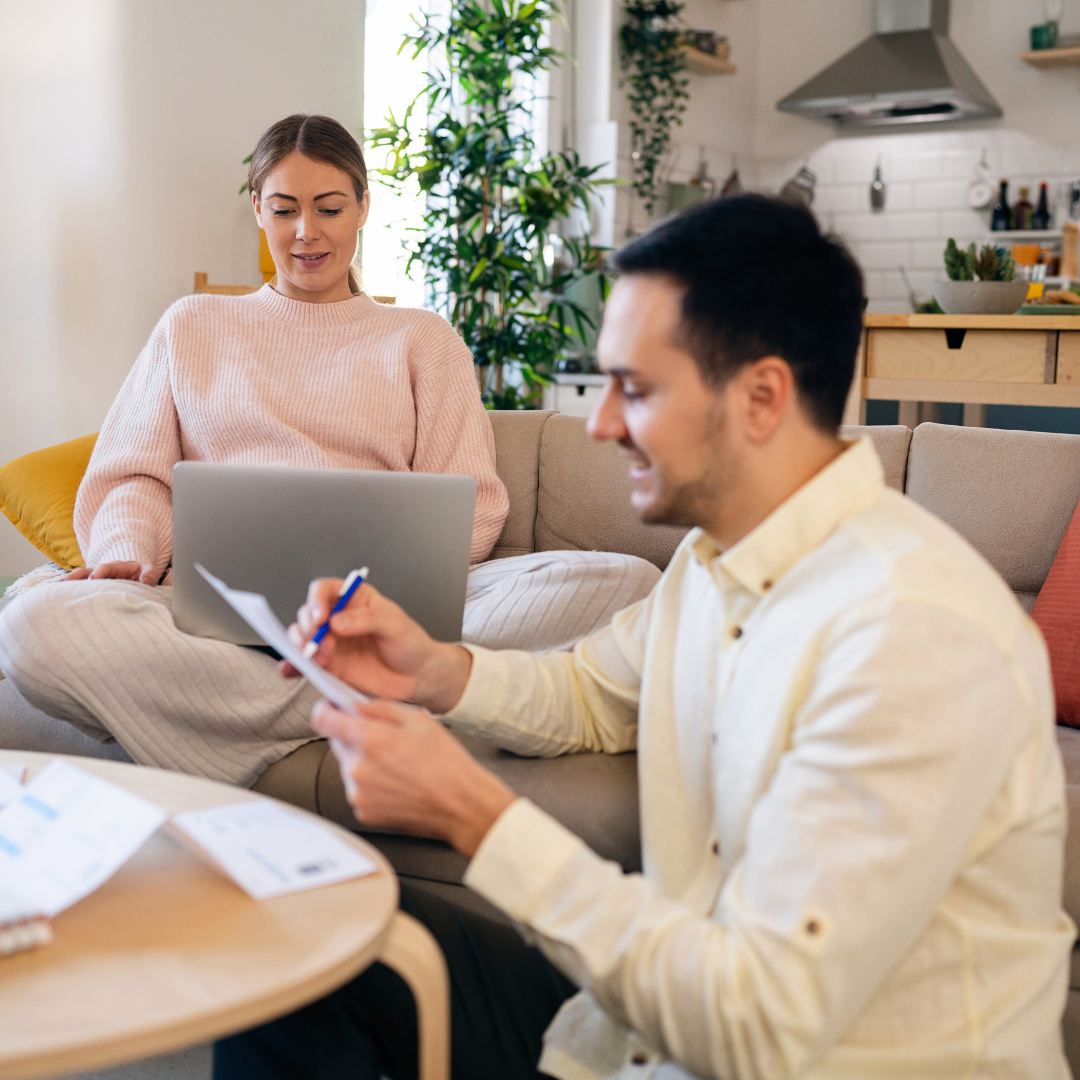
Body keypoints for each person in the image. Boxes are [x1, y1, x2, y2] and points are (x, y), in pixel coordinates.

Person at [216, 194, 1074, 1080]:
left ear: (762, 396)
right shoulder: (714, 561)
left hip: (756, 1046)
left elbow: (757, 1028)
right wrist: (431, 671)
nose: (601, 422)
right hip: (639, 1035)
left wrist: (472, 812)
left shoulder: (910, 635)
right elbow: (592, 691)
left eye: (637, 387)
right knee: (304, 932)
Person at [0, 114, 658, 786]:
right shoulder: (193, 325)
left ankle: (325, 685)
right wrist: (125, 556)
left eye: (330, 208)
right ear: (258, 208)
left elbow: (475, 502)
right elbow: (134, 477)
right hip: (217, 615)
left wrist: (395, 589)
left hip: (382, 617)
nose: (306, 232)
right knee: (32, 624)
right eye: (284, 209)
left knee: (628, 583)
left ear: (364, 207)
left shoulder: (422, 339)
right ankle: (376, 693)